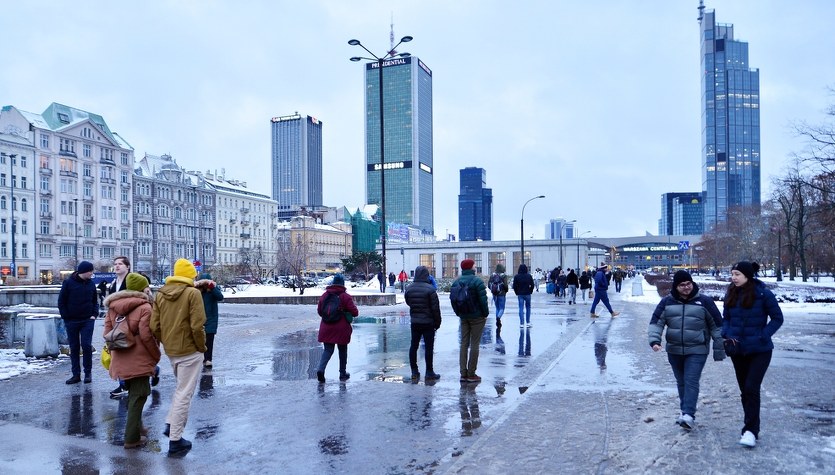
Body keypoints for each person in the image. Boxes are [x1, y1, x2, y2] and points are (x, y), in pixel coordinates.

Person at [648, 270, 725, 430]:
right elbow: (656, 322)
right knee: (681, 382)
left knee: (691, 381)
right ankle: (684, 412)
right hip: (674, 350)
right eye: (682, 285)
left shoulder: (704, 302)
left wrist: (719, 349)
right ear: (676, 287)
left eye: (688, 284)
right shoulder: (667, 302)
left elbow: (717, 325)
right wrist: (655, 341)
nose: (686, 287)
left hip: (697, 349)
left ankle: (689, 414)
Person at [722, 261, 783, 448]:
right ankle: (750, 427)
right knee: (744, 391)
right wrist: (727, 333)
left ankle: (750, 431)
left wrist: (763, 335)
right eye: (732, 273)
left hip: (760, 350)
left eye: (737, 274)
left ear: (748, 276)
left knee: (751, 387)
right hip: (737, 350)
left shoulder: (764, 294)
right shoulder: (730, 293)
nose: (733, 277)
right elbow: (726, 318)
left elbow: (777, 318)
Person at [150, 258, 207, 455]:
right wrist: (202, 348)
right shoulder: (192, 293)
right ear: (190, 275)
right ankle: (175, 439)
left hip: (172, 350)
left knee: (180, 389)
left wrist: (167, 341)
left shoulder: (161, 294)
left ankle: (169, 424)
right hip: (190, 351)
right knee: (185, 394)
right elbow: (197, 325)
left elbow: (154, 326)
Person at [103, 273, 162, 448]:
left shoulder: (113, 306)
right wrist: (155, 354)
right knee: (139, 396)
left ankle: (139, 428)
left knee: (132, 396)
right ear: (143, 288)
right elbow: (146, 335)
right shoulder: (145, 307)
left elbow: (106, 333)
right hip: (139, 358)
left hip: (120, 357)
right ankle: (132, 438)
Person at [58, 261, 98, 384]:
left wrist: (94, 314)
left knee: (86, 346)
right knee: (74, 348)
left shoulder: (91, 284)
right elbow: (61, 301)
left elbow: (95, 301)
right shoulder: (68, 283)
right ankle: (76, 375)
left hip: (87, 320)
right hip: (72, 321)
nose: (92, 273)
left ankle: (88, 373)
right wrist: (66, 317)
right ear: (83, 271)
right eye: (90, 271)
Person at [316, 274, 359, 383]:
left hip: (326, 327)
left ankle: (321, 369)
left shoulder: (325, 295)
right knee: (342, 350)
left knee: (328, 350)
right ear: (343, 284)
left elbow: (320, 311)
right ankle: (342, 373)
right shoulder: (345, 296)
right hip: (341, 328)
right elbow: (355, 312)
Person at [451, 259, 489, 383]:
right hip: (477, 317)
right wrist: (485, 314)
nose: (475, 267)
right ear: (471, 268)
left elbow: (453, 300)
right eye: (474, 265)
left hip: (464, 316)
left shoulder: (456, 282)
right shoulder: (477, 281)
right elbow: (483, 300)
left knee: (463, 343)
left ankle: (463, 373)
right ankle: (471, 374)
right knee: (474, 344)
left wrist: (459, 313)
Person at [404, 266, 442, 381]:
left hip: (415, 322)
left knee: (413, 346)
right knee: (429, 347)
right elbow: (435, 309)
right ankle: (429, 372)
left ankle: (414, 371)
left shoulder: (409, 288)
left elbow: (408, 302)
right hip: (428, 322)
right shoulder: (430, 290)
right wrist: (437, 323)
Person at [107, 256, 133, 398]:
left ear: (127, 267)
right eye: (115, 264)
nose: (117, 266)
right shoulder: (113, 283)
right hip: (116, 323)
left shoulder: (132, 280)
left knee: (130, 354)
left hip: (129, 322)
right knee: (118, 353)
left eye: (120, 264)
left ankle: (152, 369)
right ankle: (123, 384)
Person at [195, 272, 224, 369]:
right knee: (200, 341)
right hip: (200, 320)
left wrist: (212, 287)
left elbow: (220, 297)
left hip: (211, 320)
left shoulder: (213, 291)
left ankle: (208, 359)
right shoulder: (196, 292)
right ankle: (202, 358)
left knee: (209, 341)